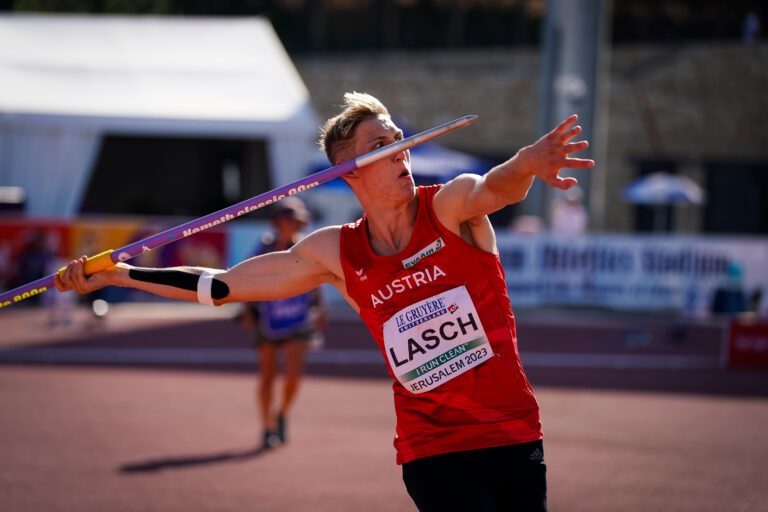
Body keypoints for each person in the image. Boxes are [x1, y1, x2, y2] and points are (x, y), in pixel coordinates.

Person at [55, 92, 594, 511]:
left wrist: (525, 163)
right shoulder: (334, 251)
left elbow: (496, 188)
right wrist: (119, 274)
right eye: (382, 145)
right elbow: (220, 286)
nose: (402, 149)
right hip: (430, 445)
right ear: (349, 172)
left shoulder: (450, 207)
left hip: (511, 430)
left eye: (401, 137)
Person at [239, 197, 326, 448]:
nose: (290, 223)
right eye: (286, 218)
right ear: (276, 221)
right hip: (267, 316)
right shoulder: (264, 249)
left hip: (298, 318)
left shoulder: (306, 247)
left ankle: (283, 413)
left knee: (293, 376)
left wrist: (321, 309)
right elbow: (244, 277)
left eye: (295, 218)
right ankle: (267, 426)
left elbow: (316, 278)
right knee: (267, 376)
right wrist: (246, 310)